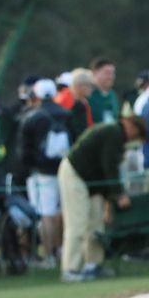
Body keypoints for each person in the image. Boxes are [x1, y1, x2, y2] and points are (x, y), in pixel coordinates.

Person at [58, 116, 147, 282]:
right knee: (77, 223)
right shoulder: (113, 132)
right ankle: (70, 269)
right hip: (75, 174)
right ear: (129, 124)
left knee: (96, 224)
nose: (135, 137)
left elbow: (104, 170)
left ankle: (93, 265)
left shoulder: (117, 137)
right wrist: (119, 195)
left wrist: (108, 200)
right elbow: (109, 167)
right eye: (137, 132)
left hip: (92, 182)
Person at [16, 77, 69, 268]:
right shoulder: (65, 113)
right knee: (63, 212)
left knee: (46, 214)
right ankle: (64, 250)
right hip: (65, 169)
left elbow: (23, 151)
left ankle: (49, 256)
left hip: (41, 173)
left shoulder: (32, 116)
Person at [87, 58, 119, 125]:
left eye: (112, 73)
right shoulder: (87, 95)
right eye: (107, 73)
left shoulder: (112, 95)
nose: (111, 77)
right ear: (95, 73)